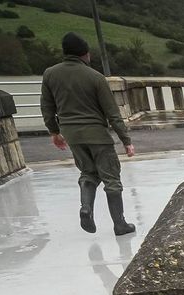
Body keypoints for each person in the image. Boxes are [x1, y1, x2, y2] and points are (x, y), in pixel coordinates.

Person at [41, 33, 137, 235]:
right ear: (85, 54)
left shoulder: (50, 74)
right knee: (111, 178)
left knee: (88, 173)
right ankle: (119, 224)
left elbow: (47, 107)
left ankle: (86, 208)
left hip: (72, 135)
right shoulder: (95, 77)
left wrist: (54, 132)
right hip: (97, 135)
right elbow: (112, 113)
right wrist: (126, 140)